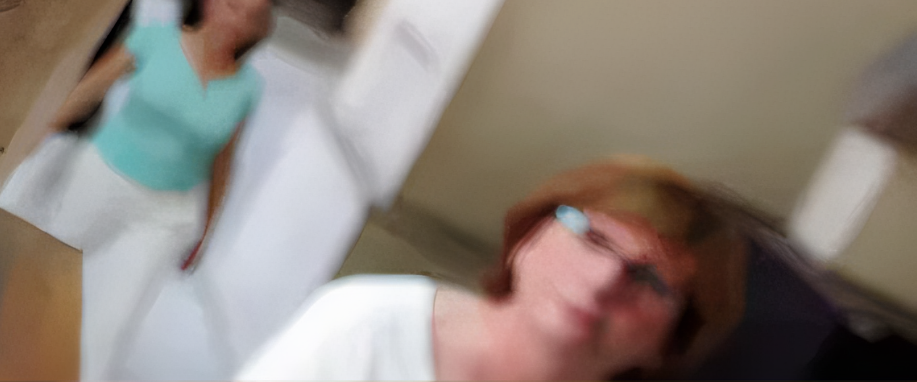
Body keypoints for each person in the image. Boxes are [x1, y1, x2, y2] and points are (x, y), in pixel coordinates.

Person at [237, 158, 748, 381]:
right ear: (529, 238)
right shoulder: (365, 326)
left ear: (674, 342)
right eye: (593, 239)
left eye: (650, 280)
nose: (603, 282)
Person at [1, 0, 275, 381]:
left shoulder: (247, 88)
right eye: (233, 6)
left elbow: (223, 160)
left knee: (115, 318)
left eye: (252, 17)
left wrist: (208, 229)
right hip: (103, 175)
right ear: (210, 1)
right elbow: (88, 91)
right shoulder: (155, 39)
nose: (238, 20)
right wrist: (33, 136)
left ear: (259, 31)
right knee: (48, 277)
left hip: (166, 211)